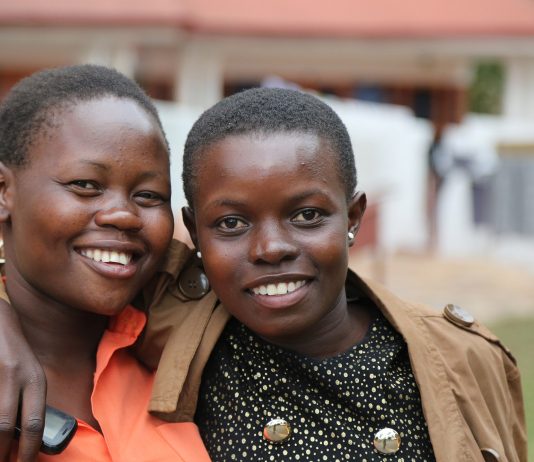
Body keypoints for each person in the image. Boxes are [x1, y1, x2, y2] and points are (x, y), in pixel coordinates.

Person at [1, 88, 527, 461]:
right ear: (197, 235)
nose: (272, 248)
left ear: (354, 216)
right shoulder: (183, 322)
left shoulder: (458, 359)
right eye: (230, 223)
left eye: (307, 216)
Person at [0, 65, 210, 461]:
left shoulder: (190, 358)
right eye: (85, 186)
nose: (124, 215)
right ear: (4, 192)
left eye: (149, 195)